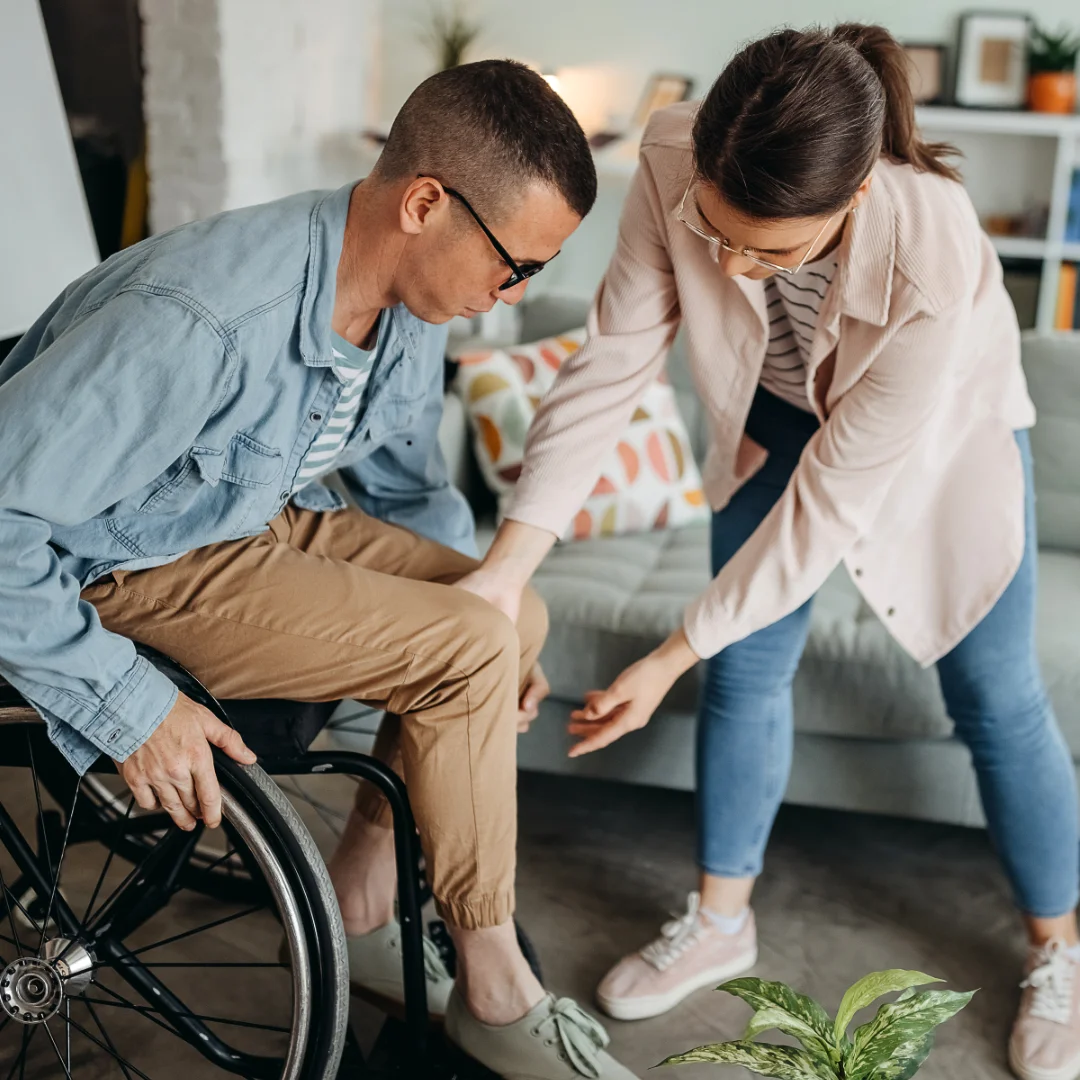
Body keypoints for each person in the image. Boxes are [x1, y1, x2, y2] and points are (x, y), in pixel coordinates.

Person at [459, 25, 1080, 1080]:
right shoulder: (670, 153)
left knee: (994, 695)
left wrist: (663, 657)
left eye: (773, 251)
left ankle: (1058, 951)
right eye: (719, 231)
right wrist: (503, 572)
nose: (736, 264)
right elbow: (612, 365)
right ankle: (720, 918)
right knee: (749, 669)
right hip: (774, 417)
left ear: (856, 199)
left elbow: (827, 512)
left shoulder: (932, 248)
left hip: (941, 447)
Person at [0, 60, 639, 1080]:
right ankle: (495, 991)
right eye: (513, 265)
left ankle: (361, 902)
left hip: (245, 525)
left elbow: (407, 489)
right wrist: (130, 706)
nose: (510, 293)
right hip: (118, 566)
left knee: (507, 617)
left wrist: (486, 635)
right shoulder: (201, 319)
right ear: (424, 203)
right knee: (471, 642)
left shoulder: (404, 306)